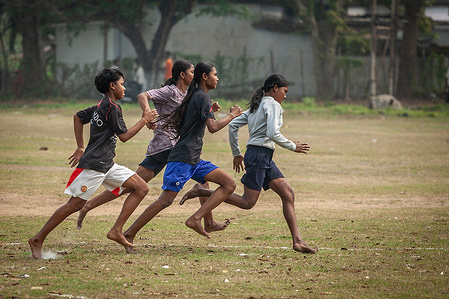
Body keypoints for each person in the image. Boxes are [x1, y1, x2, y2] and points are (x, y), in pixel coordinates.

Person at [77, 60, 230, 234]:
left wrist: (209, 110)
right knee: (133, 185)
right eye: (191, 72)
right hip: (165, 146)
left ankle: (208, 221)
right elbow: (142, 96)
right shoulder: (170, 91)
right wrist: (147, 114)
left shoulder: (190, 93)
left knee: (202, 180)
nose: (193, 75)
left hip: (178, 145)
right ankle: (90, 206)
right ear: (182, 74)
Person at [28, 67, 158, 259]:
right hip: (95, 165)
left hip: (107, 164)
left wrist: (81, 147)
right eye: (122, 84)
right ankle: (37, 239)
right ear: (112, 86)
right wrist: (144, 119)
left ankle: (116, 231)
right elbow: (124, 136)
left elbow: (78, 117)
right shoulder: (112, 108)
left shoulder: (101, 105)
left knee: (141, 187)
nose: (124, 88)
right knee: (75, 205)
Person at [180, 74, 317, 254]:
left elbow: (233, 125)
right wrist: (293, 146)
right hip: (259, 156)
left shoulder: (257, 104)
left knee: (288, 194)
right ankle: (202, 191)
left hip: (262, 156)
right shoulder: (273, 105)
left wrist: (237, 153)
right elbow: (273, 132)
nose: (285, 96)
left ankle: (297, 241)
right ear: (275, 88)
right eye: (284, 91)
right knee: (247, 203)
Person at [121, 62, 243, 253]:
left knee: (228, 183)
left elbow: (194, 120)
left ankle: (201, 219)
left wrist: (212, 110)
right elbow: (212, 127)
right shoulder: (200, 96)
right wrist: (232, 115)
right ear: (205, 77)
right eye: (215, 74)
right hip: (183, 157)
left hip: (193, 157)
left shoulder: (197, 96)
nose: (217, 78)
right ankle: (129, 233)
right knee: (165, 200)